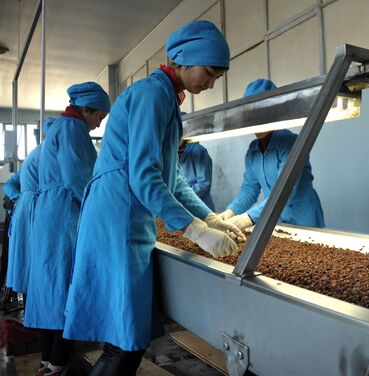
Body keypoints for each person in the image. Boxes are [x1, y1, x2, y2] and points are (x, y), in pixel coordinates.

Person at [63, 20, 242, 376]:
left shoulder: (167, 101)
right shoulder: (152, 94)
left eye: (216, 77)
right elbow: (144, 176)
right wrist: (195, 232)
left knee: (127, 338)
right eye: (208, 73)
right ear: (185, 62)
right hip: (119, 216)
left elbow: (172, 178)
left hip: (125, 214)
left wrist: (210, 218)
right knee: (125, 342)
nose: (210, 83)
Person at [24, 83, 109, 376]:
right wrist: (103, 209)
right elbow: (79, 178)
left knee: (51, 290)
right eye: (99, 115)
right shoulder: (73, 129)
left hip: (50, 215)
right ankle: (58, 365)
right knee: (66, 291)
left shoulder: (60, 128)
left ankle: (47, 363)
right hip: (64, 216)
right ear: (86, 110)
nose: (100, 122)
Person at [220, 79, 325, 230]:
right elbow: (249, 190)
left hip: (304, 218)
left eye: (262, 115)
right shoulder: (253, 151)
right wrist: (230, 212)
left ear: (275, 113)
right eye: (251, 116)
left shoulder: (290, 143)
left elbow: (285, 190)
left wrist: (248, 218)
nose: (256, 122)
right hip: (275, 217)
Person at [5, 118, 55, 294]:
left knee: (27, 262)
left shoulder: (33, 154)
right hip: (35, 210)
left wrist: (19, 197)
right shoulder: (49, 155)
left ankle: (30, 315)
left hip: (25, 209)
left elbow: (9, 184)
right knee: (37, 263)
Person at [178, 137, 215, 211]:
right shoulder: (173, 153)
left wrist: (181, 195)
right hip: (184, 209)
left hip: (201, 207)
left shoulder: (198, 151)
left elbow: (204, 185)